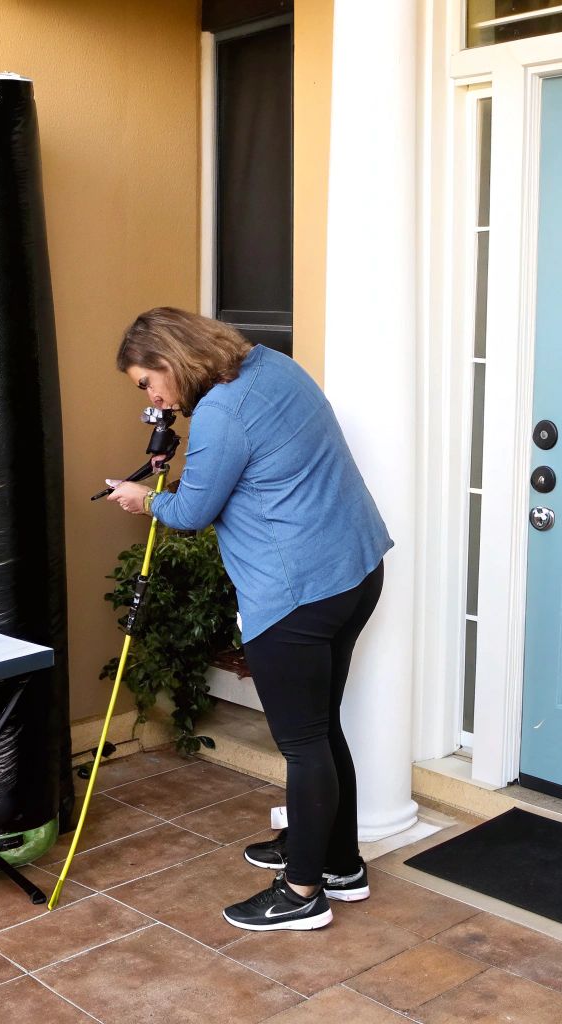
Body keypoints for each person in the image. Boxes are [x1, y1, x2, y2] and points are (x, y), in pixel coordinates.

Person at [102, 307, 392, 932]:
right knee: (319, 729)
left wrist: (143, 498)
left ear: (171, 361)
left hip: (295, 595)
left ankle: (302, 892)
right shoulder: (273, 367)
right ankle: (339, 862)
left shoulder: (219, 415)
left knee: (303, 744)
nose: (151, 398)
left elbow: (191, 512)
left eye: (147, 383)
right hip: (355, 570)